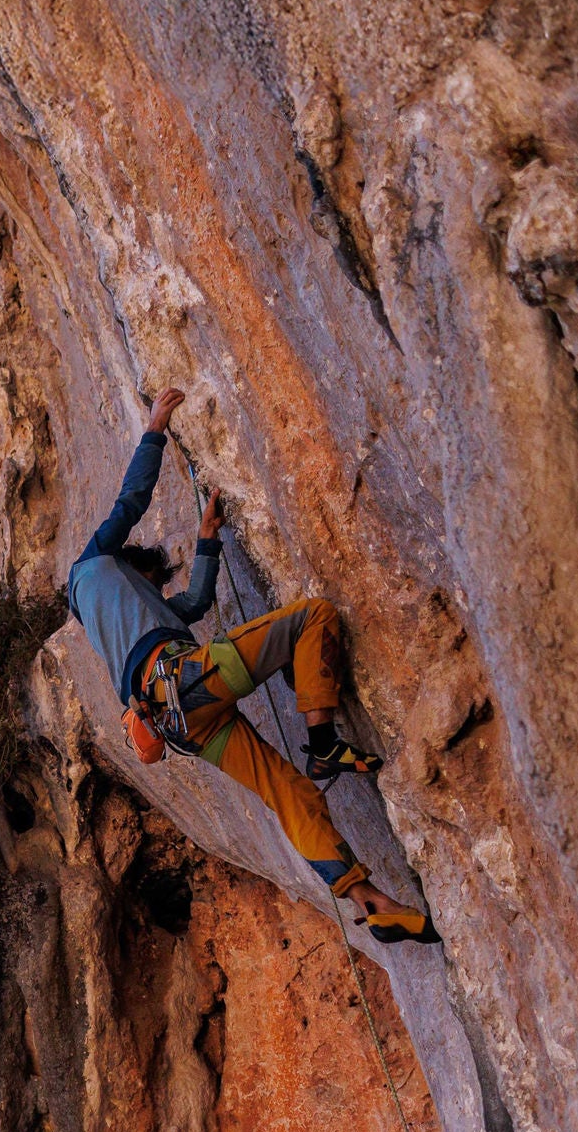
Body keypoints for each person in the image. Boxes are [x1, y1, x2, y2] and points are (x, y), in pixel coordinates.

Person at [66, 388, 438, 944]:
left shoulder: (113, 620)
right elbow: (131, 500)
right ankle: (324, 743)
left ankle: (372, 901)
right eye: (154, 579)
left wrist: (207, 542)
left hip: (185, 724)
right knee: (312, 618)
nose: (156, 588)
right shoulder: (93, 563)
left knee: (288, 792)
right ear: (135, 568)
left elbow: (189, 607)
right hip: (185, 685)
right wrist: (155, 428)